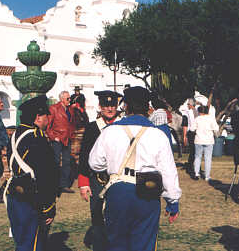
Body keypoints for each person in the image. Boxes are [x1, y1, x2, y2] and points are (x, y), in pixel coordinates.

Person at [89, 86, 181, 251]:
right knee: (144, 243)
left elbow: (95, 163)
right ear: (147, 108)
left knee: (116, 244)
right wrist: (172, 201)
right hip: (148, 192)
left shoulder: (109, 131)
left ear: (126, 106)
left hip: (119, 190)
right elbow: (168, 171)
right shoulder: (158, 134)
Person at [5, 95, 59, 251]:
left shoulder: (15, 135)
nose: (48, 119)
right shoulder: (37, 138)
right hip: (32, 199)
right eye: (46, 116)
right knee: (33, 244)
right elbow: (47, 176)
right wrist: (49, 208)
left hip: (14, 195)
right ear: (37, 118)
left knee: (22, 242)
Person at [78, 90, 122, 251]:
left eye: (112, 105)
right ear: (100, 106)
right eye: (106, 105)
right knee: (97, 217)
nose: (109, 109)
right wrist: (83, 182)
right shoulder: (92, 128)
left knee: (118, 217)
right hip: (98, 180)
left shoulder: (124, 126)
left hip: (119, 179)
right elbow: (84, 156)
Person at [46, 91, 76, 193]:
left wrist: (72, 134)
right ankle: (54, 185)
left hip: (67, 138)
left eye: (69, 98)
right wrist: (53, 137)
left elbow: (71, 123)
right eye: (68, 98)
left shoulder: (70, 109)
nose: (70, 100)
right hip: (58, 138)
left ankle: (64, 185)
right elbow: (48, 126)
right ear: (62, 99)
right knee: (56, 162)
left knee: (67, 162)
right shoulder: (54, 108)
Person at [191, 105, 219, 181]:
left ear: (199, 112)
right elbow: (216, 129)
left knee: (197, 157)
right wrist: (216, 135)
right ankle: (207, 176)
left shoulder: (197, 119)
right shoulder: (211, 119)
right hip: (209, 140)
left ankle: (196, 173)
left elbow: (192, 129)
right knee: (208, 158)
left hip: (198, 140)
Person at [179, 98, 197, 174]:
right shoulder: (197, 111)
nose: (187, 105)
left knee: (193, 150)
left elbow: (186, 124)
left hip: (191, 132)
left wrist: (185, 135)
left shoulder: (189, 112)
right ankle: (192, 165)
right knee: (194, 151)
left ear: (191, 104)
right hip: (195, 132)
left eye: (188, 104)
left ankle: (191, 165)